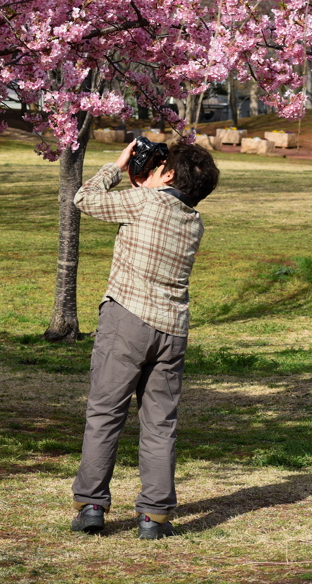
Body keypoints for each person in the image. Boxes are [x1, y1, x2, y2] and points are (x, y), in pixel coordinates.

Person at [70, 137, 220, 540]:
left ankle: (92, 505)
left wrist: (117, 167)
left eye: (159, 167)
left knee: (106, 413)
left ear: (168, 173)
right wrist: (147, 183)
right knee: (160, 423)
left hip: (127, 320)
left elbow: (84, 199)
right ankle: (154, 517)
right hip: (172, 329)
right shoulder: (193, 221)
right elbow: (160, 204)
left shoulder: (144, 203)